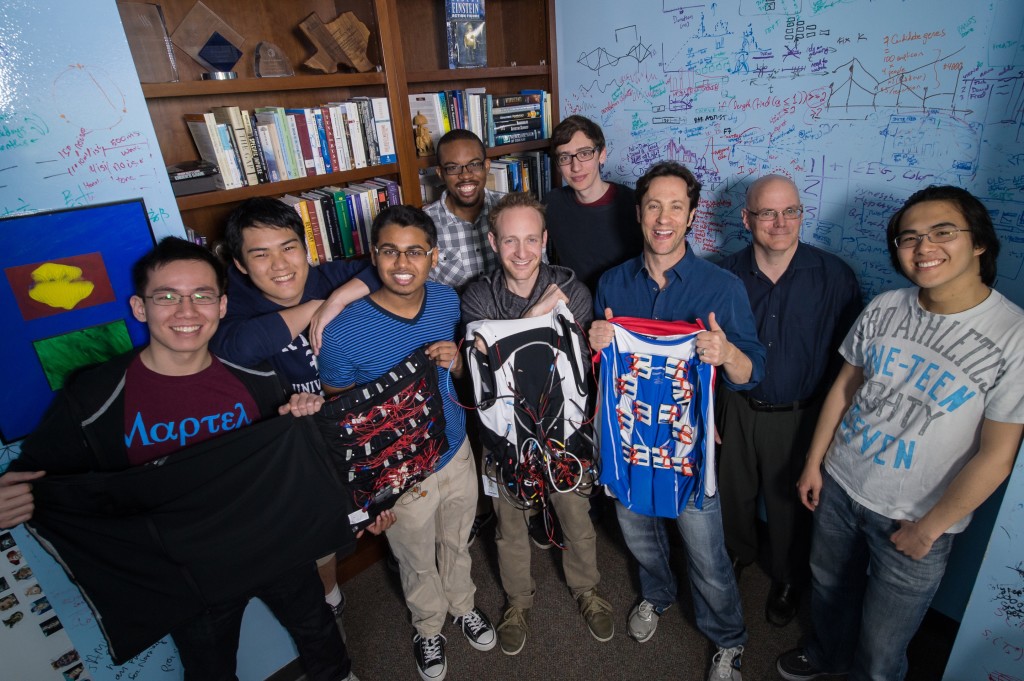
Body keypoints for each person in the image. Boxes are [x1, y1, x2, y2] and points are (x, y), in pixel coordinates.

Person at [0, 238, 389, 681]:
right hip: (185, 574)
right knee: (209, 666)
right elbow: (33, 476)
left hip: (275, 547)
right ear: (140, 307)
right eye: (167, 296)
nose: (187, 312)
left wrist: (297, 416)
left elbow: (283, 454)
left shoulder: (257, 375)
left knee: (318, 630)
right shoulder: (95, 397)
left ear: (222, 306)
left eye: (202, 296)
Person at [777, 185, 1024, 681]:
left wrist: (930, 527)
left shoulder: (1012, 336)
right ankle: (826, 654)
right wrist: (814, 462)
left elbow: (998, 456)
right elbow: (845, 390)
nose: (924, 247)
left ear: (978, 243)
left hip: (917, 518)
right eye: (909, 238)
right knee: (828, 588)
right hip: (842, 485)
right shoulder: (887, 306)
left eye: (942, 233)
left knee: (885, 640)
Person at [589, 161, 766, 681]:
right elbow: (599, 371)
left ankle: (729, 639)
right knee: (639, 534)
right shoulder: (612, 284)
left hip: (690, 447)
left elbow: (751, 372)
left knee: (707, 554)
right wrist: (596, 340)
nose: (663, 218)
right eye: (652, 205)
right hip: (628, 440)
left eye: (675, 206)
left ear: (691, 217)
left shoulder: (721, 287)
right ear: (639, 214)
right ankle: (657, 595)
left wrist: (726, 352)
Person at [318, 205, 495, 681]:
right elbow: (344, 417)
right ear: (373, 256)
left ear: (433, 256)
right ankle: (429, 626)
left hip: (454, 446)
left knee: (457, 541)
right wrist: (373, 493)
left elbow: (466, 370)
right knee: (415, 557)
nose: (402, 263)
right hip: (400, 473)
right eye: (390, 251)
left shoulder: (446, 303)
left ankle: (464, 605)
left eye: (415, 251)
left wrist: (456, 363)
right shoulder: (342, 331)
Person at [210, 196, 380, 621]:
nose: (280, 264)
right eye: (260, 254)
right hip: (294, 447)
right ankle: (330, 601)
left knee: (386, 511)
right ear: (241, 265)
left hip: (354, 428)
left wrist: (337, 297)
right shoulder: (235, 303)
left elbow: (392, 268)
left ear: (305, 248)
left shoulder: (329, 277)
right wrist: (315, 309)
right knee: (317, 545)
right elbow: (232, 348)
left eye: (288, 247)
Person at [460, 192, 613, 654]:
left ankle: (587, 590)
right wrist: (543, 309)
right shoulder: (478, 295)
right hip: (506, 435)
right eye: (510, 241)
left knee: (576, 516)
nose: (522, 252)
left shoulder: (574, 289)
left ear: (545, 240)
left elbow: (581, 362)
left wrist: (542, 311)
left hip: (564, 430)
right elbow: (483, 370)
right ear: (492, 241)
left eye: (531, 240)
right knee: (509, 525)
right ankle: (518, 601)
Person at [716, 175, 862, 627]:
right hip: (735, 408)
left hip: (800, 414)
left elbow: (850, 365)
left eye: (790, 211)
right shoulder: (721, 276)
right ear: (746, 218)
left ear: (801, 214)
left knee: (790, 504)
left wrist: (833, 426)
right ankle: (737, 555)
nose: (779, 223)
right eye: (767, 213)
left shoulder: (835, 277)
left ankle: (785, 577)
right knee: (732, 494)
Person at [544, 115, 642, 292]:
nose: (576, 167)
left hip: (625, 306)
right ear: (558, 165)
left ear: (601, 154)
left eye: (584, 154)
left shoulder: (633, 204)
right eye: (565, 157)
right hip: (578, 306)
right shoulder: (552, 204)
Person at [423, 129, 502, 291]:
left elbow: (540, 270)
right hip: (456, 315)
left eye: (473, 165)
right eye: (453, 168)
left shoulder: (513, 210)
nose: (465, 176)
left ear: (486, 166)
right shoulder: (423, 224)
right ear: (440, 173)